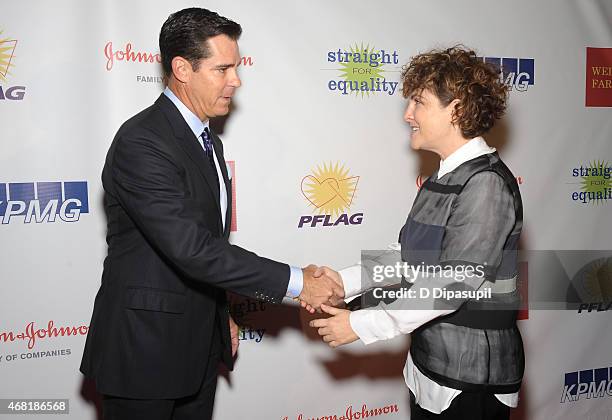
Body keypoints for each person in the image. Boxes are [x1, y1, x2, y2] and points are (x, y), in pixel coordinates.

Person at [80, 7, 342, 420]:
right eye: (222, 69)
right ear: (182, 69)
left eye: (235, 67)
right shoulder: (142, 141)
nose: (235, 80)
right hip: (144, 353)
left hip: (199, 346)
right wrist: (298, 283)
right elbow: (192, 249)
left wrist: (221, 317)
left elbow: (208, 246)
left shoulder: (205, 139)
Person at [308, 46, 524, 420]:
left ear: (456, 109)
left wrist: (361, 323)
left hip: (470, 382)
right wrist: (344, 283)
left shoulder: (485, 184)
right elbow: (406, 255)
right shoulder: (445, 176)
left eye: (418, 102)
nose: (408, 114)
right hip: (429, 368)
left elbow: (452, 284)